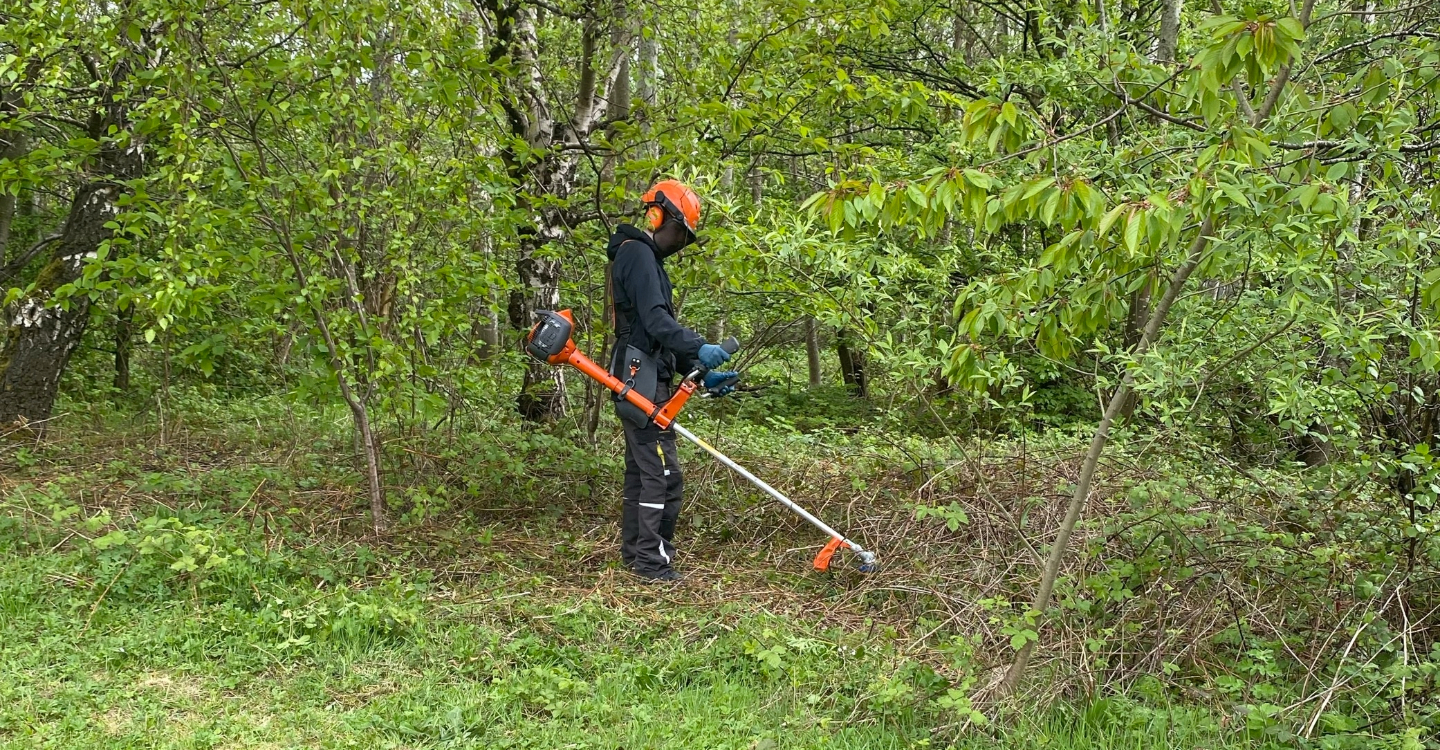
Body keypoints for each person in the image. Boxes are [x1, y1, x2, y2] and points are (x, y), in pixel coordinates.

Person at [606, 180, 737, 582]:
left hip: (644, 370)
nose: (680, 242)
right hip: (639, 376)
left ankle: (636, 555)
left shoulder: (644, 260)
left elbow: (656, 333)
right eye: (680, 232)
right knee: (663, 476)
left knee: (642, 471)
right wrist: (701, 346)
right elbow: (658, 324)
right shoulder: (639, 256)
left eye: (686, 238)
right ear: (658, 216)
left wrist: (701, 369)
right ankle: (651, 563)